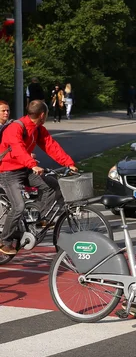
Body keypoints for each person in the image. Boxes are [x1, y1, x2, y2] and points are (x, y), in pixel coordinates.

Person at [0, 100, 78, 255]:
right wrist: (32, 164)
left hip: (25, 169)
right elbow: (17, 148)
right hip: (8, 172)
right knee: (18, 206)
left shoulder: (38, 129)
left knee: (53, 185)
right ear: (43, 115)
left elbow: (51, 146)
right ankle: (4, 240)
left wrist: (69, 163)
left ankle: (40, 222)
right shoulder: (16, 127)